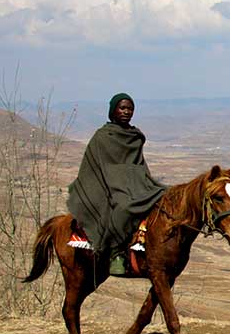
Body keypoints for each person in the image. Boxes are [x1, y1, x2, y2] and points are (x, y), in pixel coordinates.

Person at [67, 93, 167, 275]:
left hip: (134, 184)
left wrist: (144, 183)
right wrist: (118, 183)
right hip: (108, 186)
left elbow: (138, 166)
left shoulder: (135, 137)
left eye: (130, 108)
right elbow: (100, 168)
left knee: (163, 195)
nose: (126, 112)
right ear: (113, 110)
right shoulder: (103, 137)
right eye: (122, 108)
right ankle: (116, 252)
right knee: (124, 206)